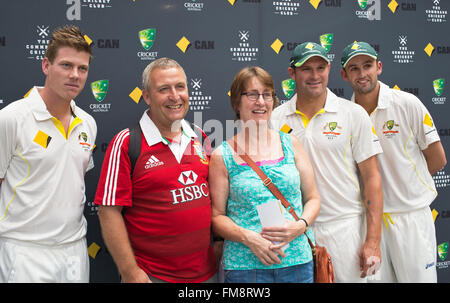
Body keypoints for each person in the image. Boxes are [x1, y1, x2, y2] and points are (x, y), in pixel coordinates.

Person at [94, 57, 218, 283]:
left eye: (180, 87)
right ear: (147, 97)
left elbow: (217, 202)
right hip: (153, 277)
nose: (175, 96)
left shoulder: (200, 136)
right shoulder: (126, 142)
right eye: (164, 89)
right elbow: (108, 212)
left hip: (206, 276)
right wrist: (131, 272)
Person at [270, 42, 384, 283]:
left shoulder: (353, 114)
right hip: (297, 233)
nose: (314, 76)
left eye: (320, 68)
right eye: (306, 69)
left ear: (329, 69)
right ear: (292, 73)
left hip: (345, 230)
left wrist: (372, 242)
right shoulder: (276, 118)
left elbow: (372, 177)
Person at [340, 41, 447, 282]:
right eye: (354, 68)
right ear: (344, 75)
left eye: (367, 65)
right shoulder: (345, 115)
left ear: (379, 67)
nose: (362, 74)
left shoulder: (407, 103)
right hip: (369, 223)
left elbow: (438, 158)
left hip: (411, 218)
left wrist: (406, 186)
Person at [0, 25, 96, 282]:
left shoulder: (88, 123)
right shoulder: (12, 118)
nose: (75, 75)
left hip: (75, 250)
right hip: (24, 252)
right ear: (46, 66)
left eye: (82, 68)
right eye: (66, 65)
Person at [209, 66, 321, 283]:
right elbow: (217, 217)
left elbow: (314, 198)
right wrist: (249, 238)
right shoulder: (222, 155)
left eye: (267, 94)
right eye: (252, 94)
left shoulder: (291, 144)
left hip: (297, 263)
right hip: (245, 269)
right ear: (236, 103)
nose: (260, 101)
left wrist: (300, 226)